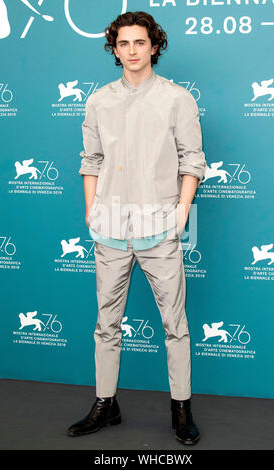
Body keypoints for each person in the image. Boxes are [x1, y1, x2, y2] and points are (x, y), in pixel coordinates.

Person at [67, 10, 207, 445]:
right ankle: (105, 404)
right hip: (108, 228)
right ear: (114, 48)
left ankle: (181, 409)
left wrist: (180, 214)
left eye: (139, 42)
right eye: (123, 43)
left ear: (154, 46)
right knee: (106, 324)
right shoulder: (99, 100)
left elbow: (192, 161)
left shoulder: (177, 99)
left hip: (158, 228)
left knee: (175, 325)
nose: (131, 51)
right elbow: (90, 160)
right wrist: (92, 211)